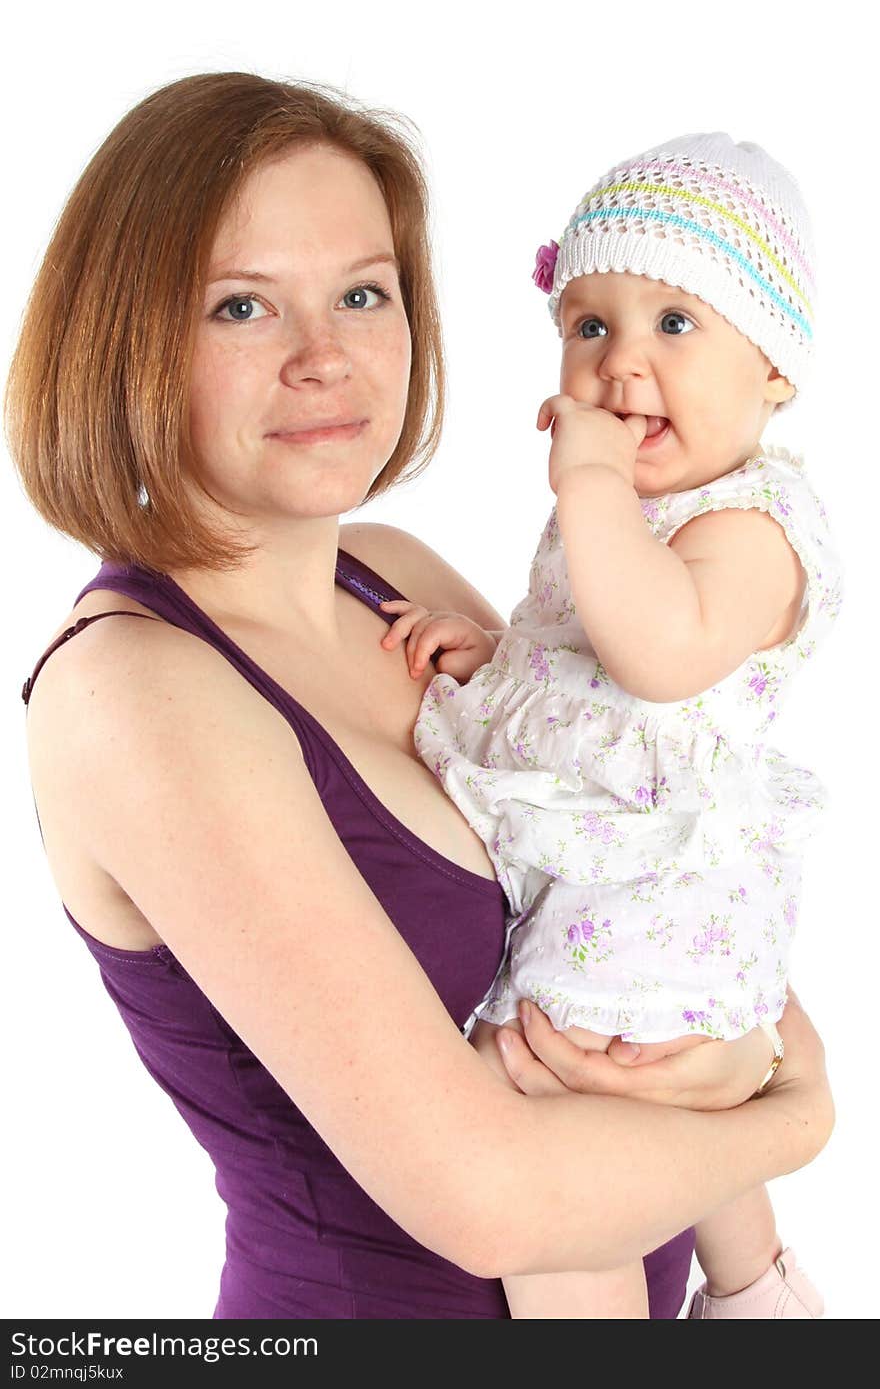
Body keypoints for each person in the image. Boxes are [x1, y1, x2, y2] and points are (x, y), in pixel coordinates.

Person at [9, 77, 832, 1321]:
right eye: (242, 305)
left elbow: (669, 878)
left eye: (361, 292)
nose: (324, 357)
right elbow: (486, 1195)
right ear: (129, 339)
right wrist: (791, 1115)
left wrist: (755, 1060)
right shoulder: (137, 691)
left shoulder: (391, 578)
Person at [380, 133, 840, 1318]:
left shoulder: (756, 524)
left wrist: (585, 486)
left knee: (545, 1109)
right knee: (681, 1105)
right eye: (589, 326)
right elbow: (593, 656)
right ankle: (755, 1293)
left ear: (773, 368)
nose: (621, 364)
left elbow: (659, 651)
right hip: (634, 886)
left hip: (653, 900)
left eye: (675, 325)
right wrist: (508, 662)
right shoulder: (639, 510)